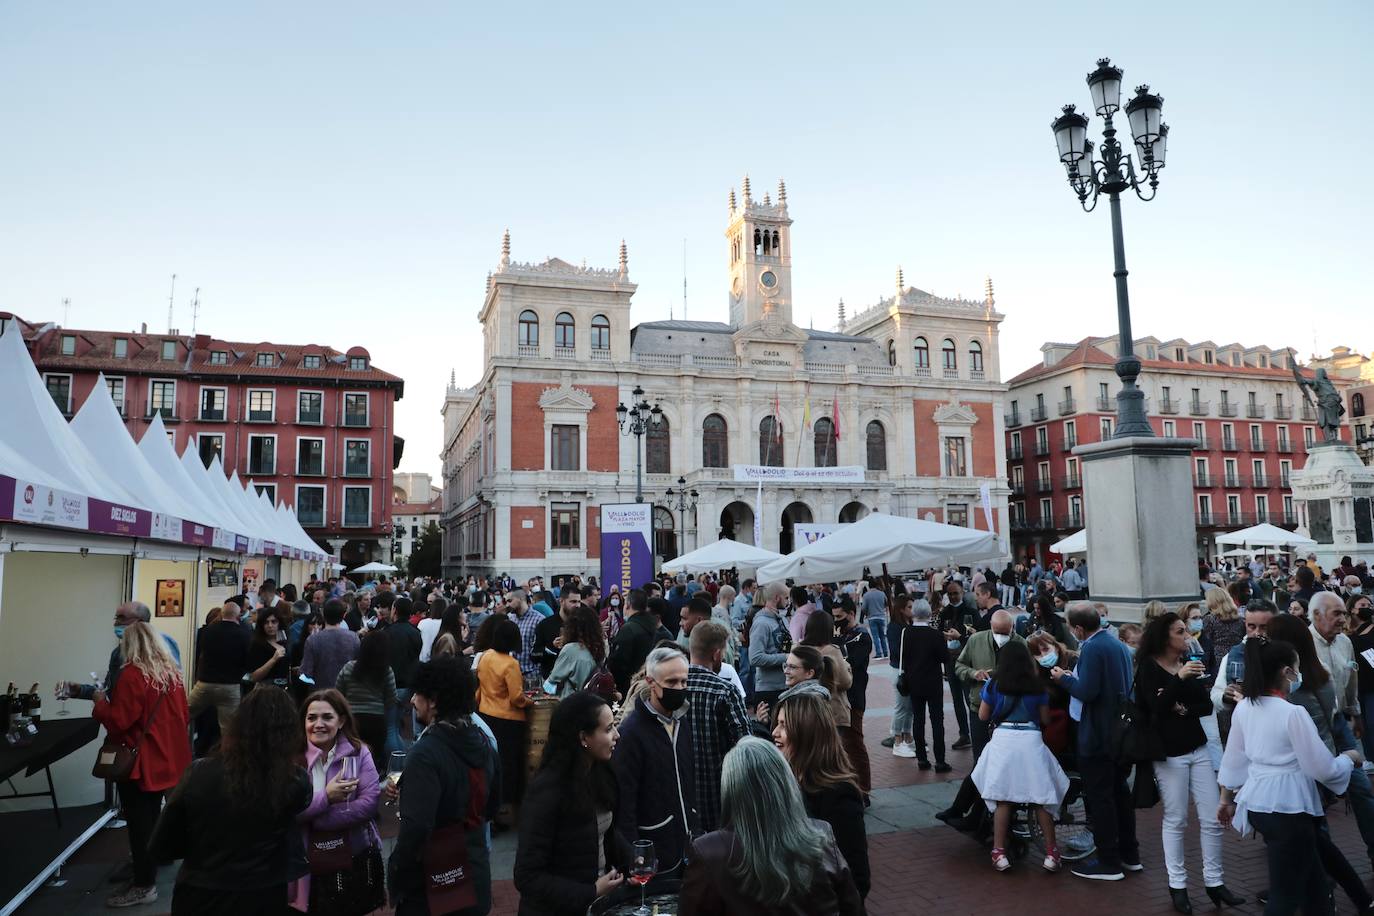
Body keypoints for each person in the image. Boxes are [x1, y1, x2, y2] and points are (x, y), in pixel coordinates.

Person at [1217, 638, 1361, 916]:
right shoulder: (1292, 713)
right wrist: (1349, 759)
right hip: (1289, 807)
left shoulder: (1246, 706)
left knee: (1315, 886)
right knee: (1286, 895)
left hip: (1259, 803)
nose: (1299, 673)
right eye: (1296, 668)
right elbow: (1322, 768)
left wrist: (1226, 798)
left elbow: (1234, 758)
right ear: (1286, 672)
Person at [150, 686, 312, 915]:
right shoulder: (295, 782)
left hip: (201, 892)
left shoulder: (199, 773)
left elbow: (164, 841)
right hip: (263, 893)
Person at [70, 623, 192, 909]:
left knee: (140, 825)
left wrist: (100, 703)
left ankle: (143, 884)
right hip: (169, 757)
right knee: (154, 820)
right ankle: (147, 873)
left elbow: (119, 720)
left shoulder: (132, 676)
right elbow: (184, 715)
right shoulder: (171, 674)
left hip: (142, 762)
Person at [678, 737, 863, 916]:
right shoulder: (821, 835)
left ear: (731, 790)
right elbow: (853, 907)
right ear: (785, 783)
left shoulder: (709, 852)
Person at [1135, 614, 1242, 913]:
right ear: (1164, 636)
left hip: (1197, 748)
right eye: (1180, 631)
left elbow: (1205, 704)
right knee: (1176, 818)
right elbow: (1154, 707)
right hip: (1170, 754)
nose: (1187, 635)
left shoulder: (1190, 665)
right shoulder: (1149, 667)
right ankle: (1177, 885)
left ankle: (1215, 882)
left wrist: (1179, 705)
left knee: (1212, 818)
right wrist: (1177, 681)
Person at [388, 656, 502, 916]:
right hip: (475, 872)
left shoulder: (425, 753)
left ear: (434, 700)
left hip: (433, 882)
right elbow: (493, 805)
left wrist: (396, 871)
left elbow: (416, 828)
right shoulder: (484, 741)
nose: (413, 700)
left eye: (418, 693)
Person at [514, 691, 630, 916]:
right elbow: (527, 876)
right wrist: (591, 891)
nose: (616, 735)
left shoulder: (599, 772)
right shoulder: (548, 790)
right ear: (583, 738)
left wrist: (631, 861)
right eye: (607, 730)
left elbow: (604, 831)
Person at [1051, 602, 1139, 881]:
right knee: (1119, 795)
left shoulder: (1091, 648)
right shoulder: (1117, 645)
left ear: (1077, 628)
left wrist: (1062, 679)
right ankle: (1129, 854)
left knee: (1101, 799)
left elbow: (1086, 691)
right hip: (1117, 733)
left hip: (1097, 734)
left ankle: (1109, 862)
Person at [969, 640, 1068, 873]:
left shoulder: (994, 684)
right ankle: (1052, 853)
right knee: (1040, 796)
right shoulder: (1036, 686)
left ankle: (999, 852)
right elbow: (1044, 720)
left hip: (1003, 740)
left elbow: (983, 716)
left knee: (1003, 797)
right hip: (1030, 740)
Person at [289, 689, 384, 914]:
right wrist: (326, 798)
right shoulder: (293, 757)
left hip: (353, 856)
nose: (318, 724)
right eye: (311, 718)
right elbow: (289, 810)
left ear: (341, 721)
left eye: (327, 717)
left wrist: (319, 820)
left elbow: (369, 803)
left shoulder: (359, 753)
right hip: (306, 860)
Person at [772, 691, 870, 899]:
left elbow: (857, 878)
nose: (775, 732)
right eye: (777, 723)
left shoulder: (839, 795)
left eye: (783, 725)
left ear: (807, 733)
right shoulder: (785, 782)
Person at [612, 646, 698, 876]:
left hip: (686, 847)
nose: (679, 688)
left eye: (683, 682)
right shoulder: (631, 734)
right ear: (651, 683)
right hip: (655, 852)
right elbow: (624, 803)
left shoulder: (683, 722)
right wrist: (636, 856)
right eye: (671, 683)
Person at [686, 620, 751, 833]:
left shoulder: (671, 686)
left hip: (680, 797)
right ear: (716, 654)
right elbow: (745, 745)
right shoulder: (725, 691)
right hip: (719, 797)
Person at [476, 617, 530, 812]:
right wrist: (530, 701)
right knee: (509, 767)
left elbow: (479, 687)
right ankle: (505, 809)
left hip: (485, 714)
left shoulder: (486, 656)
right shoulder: (511, 664)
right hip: (509, 721)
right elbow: (516, 698)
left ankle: (490, 805)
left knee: (491, 763)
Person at [898, 598, 953, 772]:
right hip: (933, 682)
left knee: (918, 720)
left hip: (914, 682)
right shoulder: (936, 634)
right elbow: (945, 658)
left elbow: (903, 658)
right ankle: (940, 760)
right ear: (929, 614)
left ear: (913, 613)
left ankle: (921, 758)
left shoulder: (905, 632)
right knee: (937, 721)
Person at [335, 629, 398, 772]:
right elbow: (391, 699)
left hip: (352, 720)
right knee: (371, 763)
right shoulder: (386, 671)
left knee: (350, 760)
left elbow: (338, 692)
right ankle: (370, 789)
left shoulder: (349, 667)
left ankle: (350, 787)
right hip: (376, 721)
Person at [187, 600, 251, 737]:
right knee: (229, 730)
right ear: (238, 616)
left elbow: (201, 655)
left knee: (184, 715)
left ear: (222, 614)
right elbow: (247, 662)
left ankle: (177, 746)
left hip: (204, 684)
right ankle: (227, 757)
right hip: (230, 687)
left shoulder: (207, 631)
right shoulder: (244, 634)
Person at [832, 596, 873, 795]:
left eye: (840, 617)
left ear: (851, 614)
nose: (837, 621)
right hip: (840, 698)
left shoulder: (862, 635)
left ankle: (864, 789)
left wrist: (838, 646)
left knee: (854, 743)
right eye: (834, 618)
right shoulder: (843, 634)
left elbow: (852, 664)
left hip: (854, 697)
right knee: (843, 745)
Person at [800, 611, 854, 748]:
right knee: (832, 753)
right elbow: (845, 682)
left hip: (805, 710)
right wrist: (847, 666)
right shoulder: (832, 651)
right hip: (832, 711)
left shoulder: (799, 650)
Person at [545, 604, 607, 699]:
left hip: (572, 703)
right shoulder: (602, 648)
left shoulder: (570, 649)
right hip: (594, 703)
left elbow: (550, 685)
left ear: (571, 627)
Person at [302, 599, 361, 693]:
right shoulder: (353, 638)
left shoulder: (313, 639)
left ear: (323, 615)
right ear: (343, 616)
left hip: (320, 693)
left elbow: (306, 673)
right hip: (345, 693)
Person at [607, 588, 659, 695]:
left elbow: (617, 663)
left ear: (628, 604)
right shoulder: (653, 626)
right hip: (648, 682)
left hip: (628, 687)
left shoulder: (629, 629)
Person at [749, 583, 791, 712]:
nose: (788, 601)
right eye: (786, 598)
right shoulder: (761, 624)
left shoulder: (782, 619)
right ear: (777, 598)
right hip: (768, 690)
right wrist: (786, 657)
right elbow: (755, 658)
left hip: (785, 685)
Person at [247, 606, 290, 690]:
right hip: (265, 690)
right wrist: (273, 659)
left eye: (274, 622)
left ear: (279, 623)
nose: (270, 625)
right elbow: (254, 677)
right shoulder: (257, 645)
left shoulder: (284, 641)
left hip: (283, 689)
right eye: (266, 622)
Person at [861, 581, 889, 658]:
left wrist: (867, 613)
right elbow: (886, 603)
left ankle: (879, 653)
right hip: (881, 616)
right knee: (882, 636)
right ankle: (885, 652)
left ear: (869, 586)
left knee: (875, 636)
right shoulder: (882, 593)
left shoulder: (866, 595)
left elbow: (863, 608)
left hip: (872, 617)